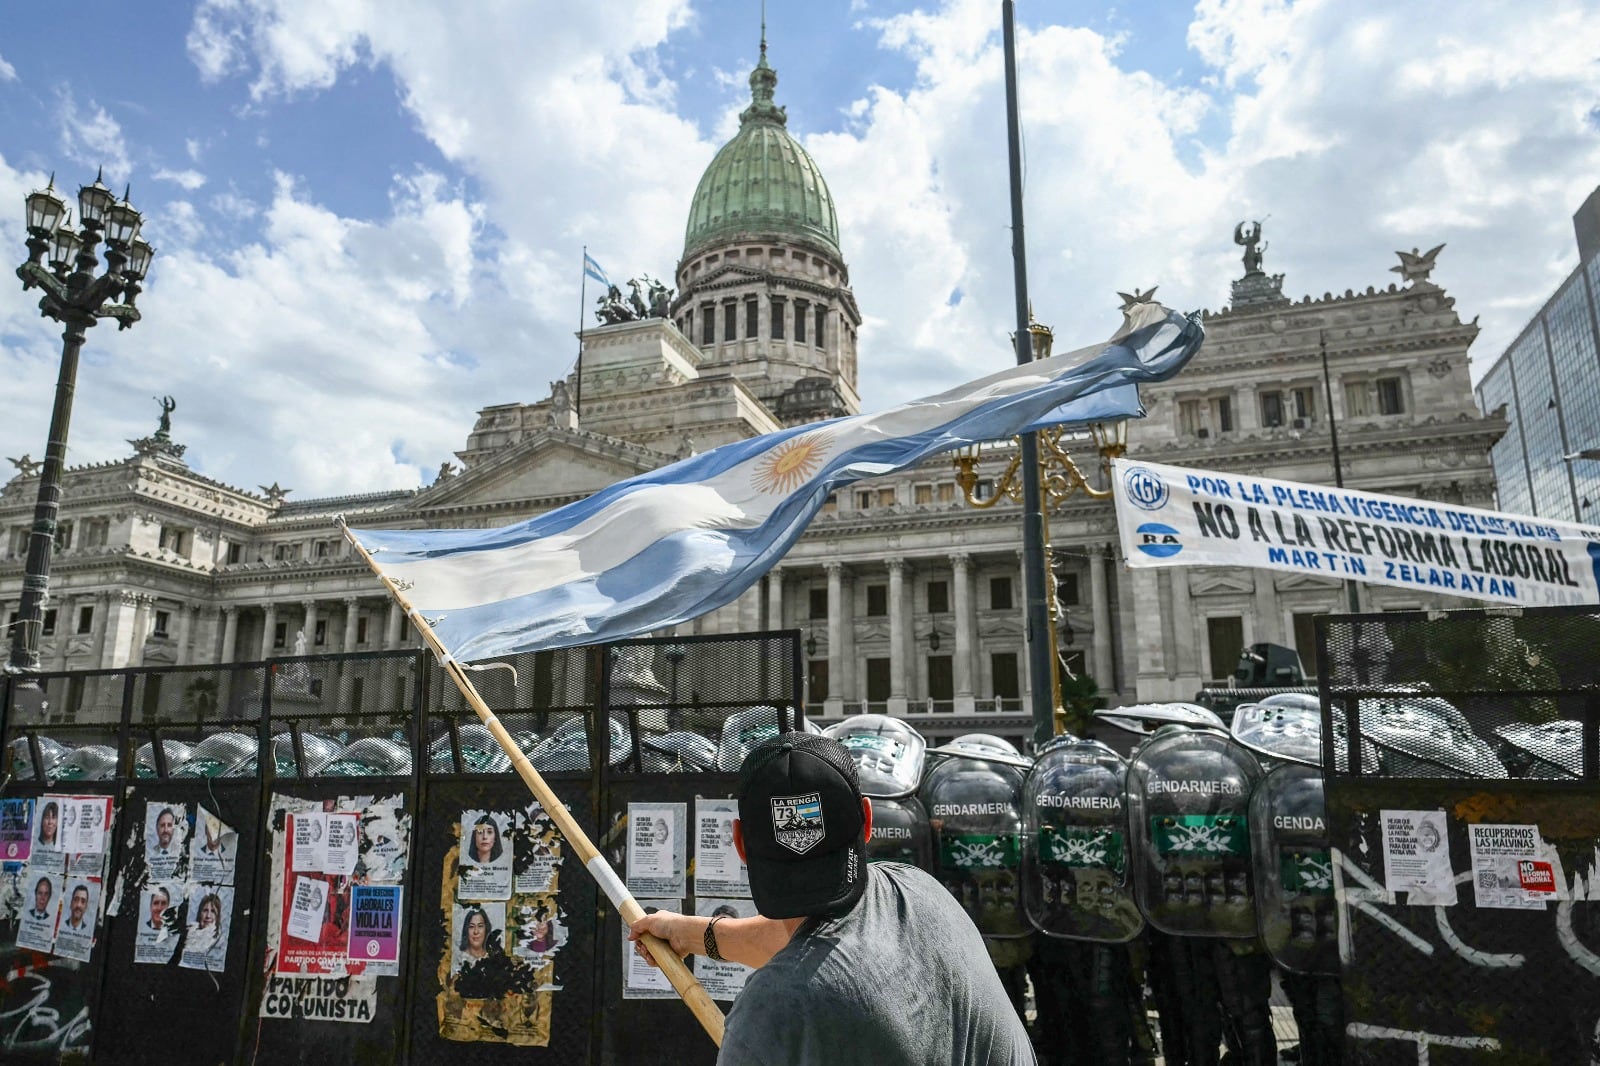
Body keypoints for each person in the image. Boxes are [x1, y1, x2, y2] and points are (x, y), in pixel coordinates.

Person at [630, 733, 1034, 1065]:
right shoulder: (918, 891)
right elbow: (809, 949)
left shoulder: (772, 1012)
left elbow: (810, 963)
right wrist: (690, 934)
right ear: (867, 819)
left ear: (739, 843)